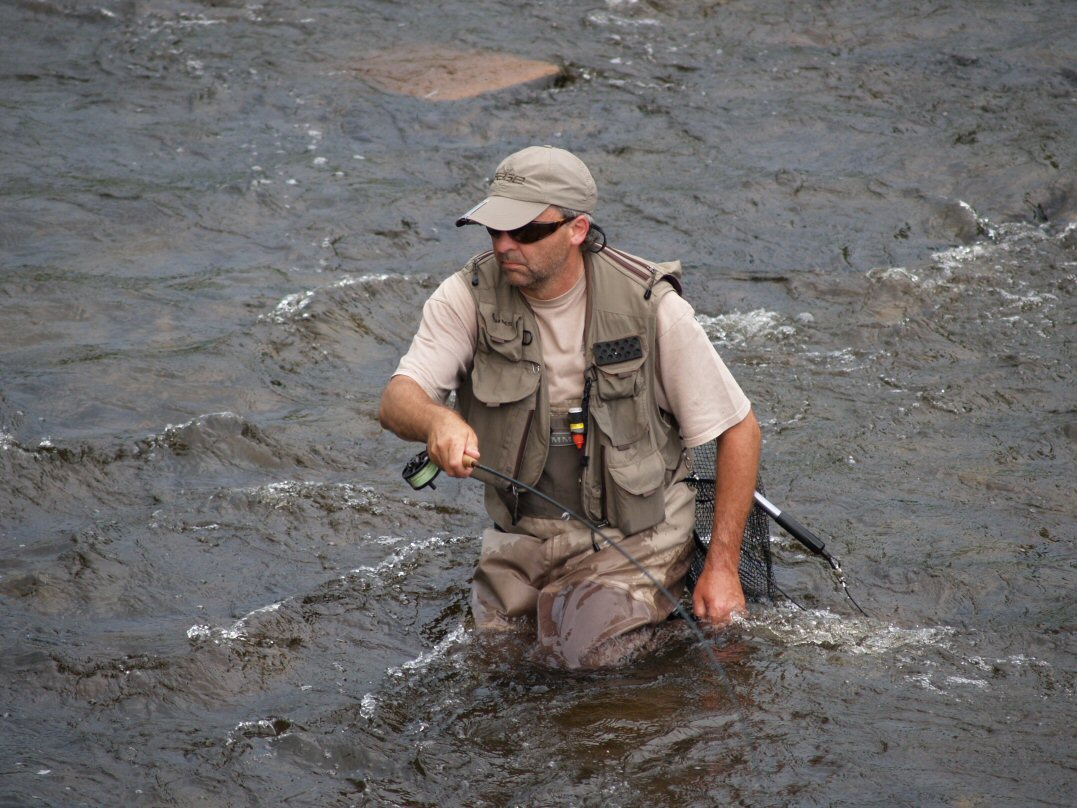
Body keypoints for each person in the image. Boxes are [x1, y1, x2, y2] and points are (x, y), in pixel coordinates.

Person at [378, 145, 761, 668]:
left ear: (577, 229)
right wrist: (436, 418)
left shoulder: (652, 307)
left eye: (526, 232)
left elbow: (740, 429)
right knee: (491, 667)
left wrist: (722, 568)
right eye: (494, 231)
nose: (505, 246)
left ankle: (675, 641)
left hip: (635, 542)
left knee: (584, 661)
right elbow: (398, 399)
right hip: (522, 541)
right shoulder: (464, 296)